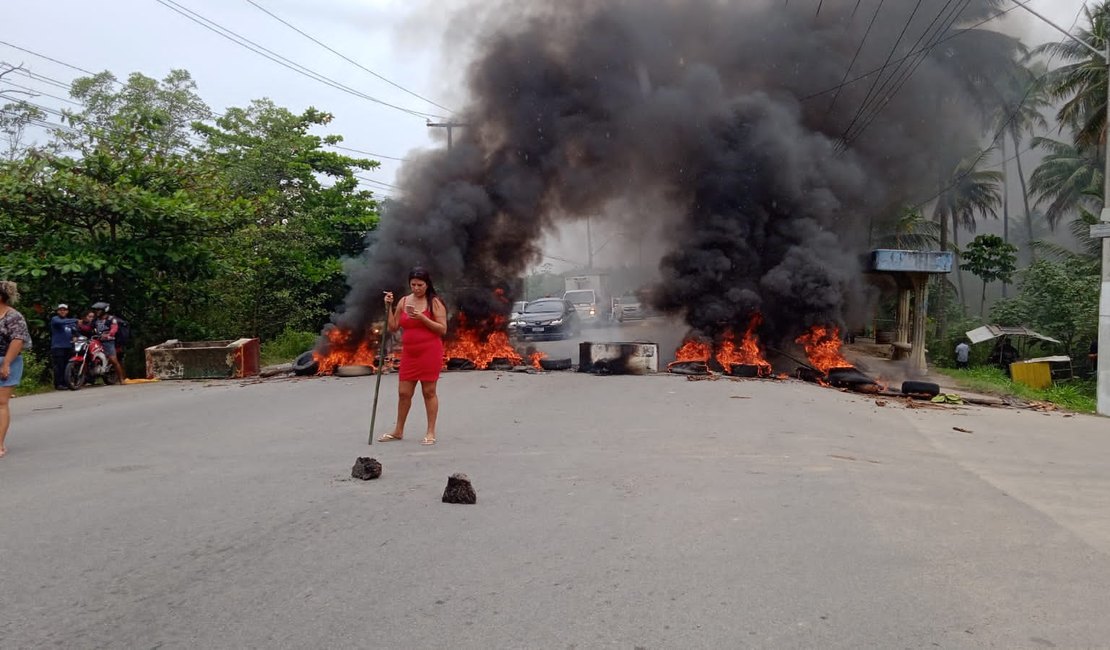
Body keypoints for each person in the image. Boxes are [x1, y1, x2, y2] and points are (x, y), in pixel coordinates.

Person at [378, 267, 448, 445]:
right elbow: (392, 327)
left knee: (429, 392)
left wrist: (422, 318)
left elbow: (442, 329)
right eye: (413, 284)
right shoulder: (403, 301)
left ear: (427, 284)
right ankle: (398, 430)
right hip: (410, 352)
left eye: (420, 285)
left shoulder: (435, 302)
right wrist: (388, 306)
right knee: (403, 393)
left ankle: (430, 432)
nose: (416, 288)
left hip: (430, 351)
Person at [1, 280, 33, 458]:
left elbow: (18, 340)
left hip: (7, 360)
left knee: (1, 403)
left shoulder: (13, 316)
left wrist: (6, 364)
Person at [91, 302, 126, 383]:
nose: (97, 312)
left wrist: (109, 334)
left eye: (99, 310)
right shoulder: (96, 320)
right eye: (96, 310)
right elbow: (89, 328)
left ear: (104, 310)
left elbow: (114, 328)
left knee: (113, 360)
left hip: (108, 341)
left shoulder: (111, 319)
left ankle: (121, 379)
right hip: (98, 341)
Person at [49, 304, 78, 389]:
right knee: (59, 366)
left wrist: (75, 336)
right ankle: (59, 384)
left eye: (64, 310)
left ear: (67, 311)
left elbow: (75, 331)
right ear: (58, 311)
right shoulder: (55, 319)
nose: (62, 311)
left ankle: (67, 383)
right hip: (58, 347)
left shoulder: (70, 322)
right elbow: (61, 322)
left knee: (67, 365)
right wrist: (75, 320)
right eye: (61, 310)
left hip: (68, 346)